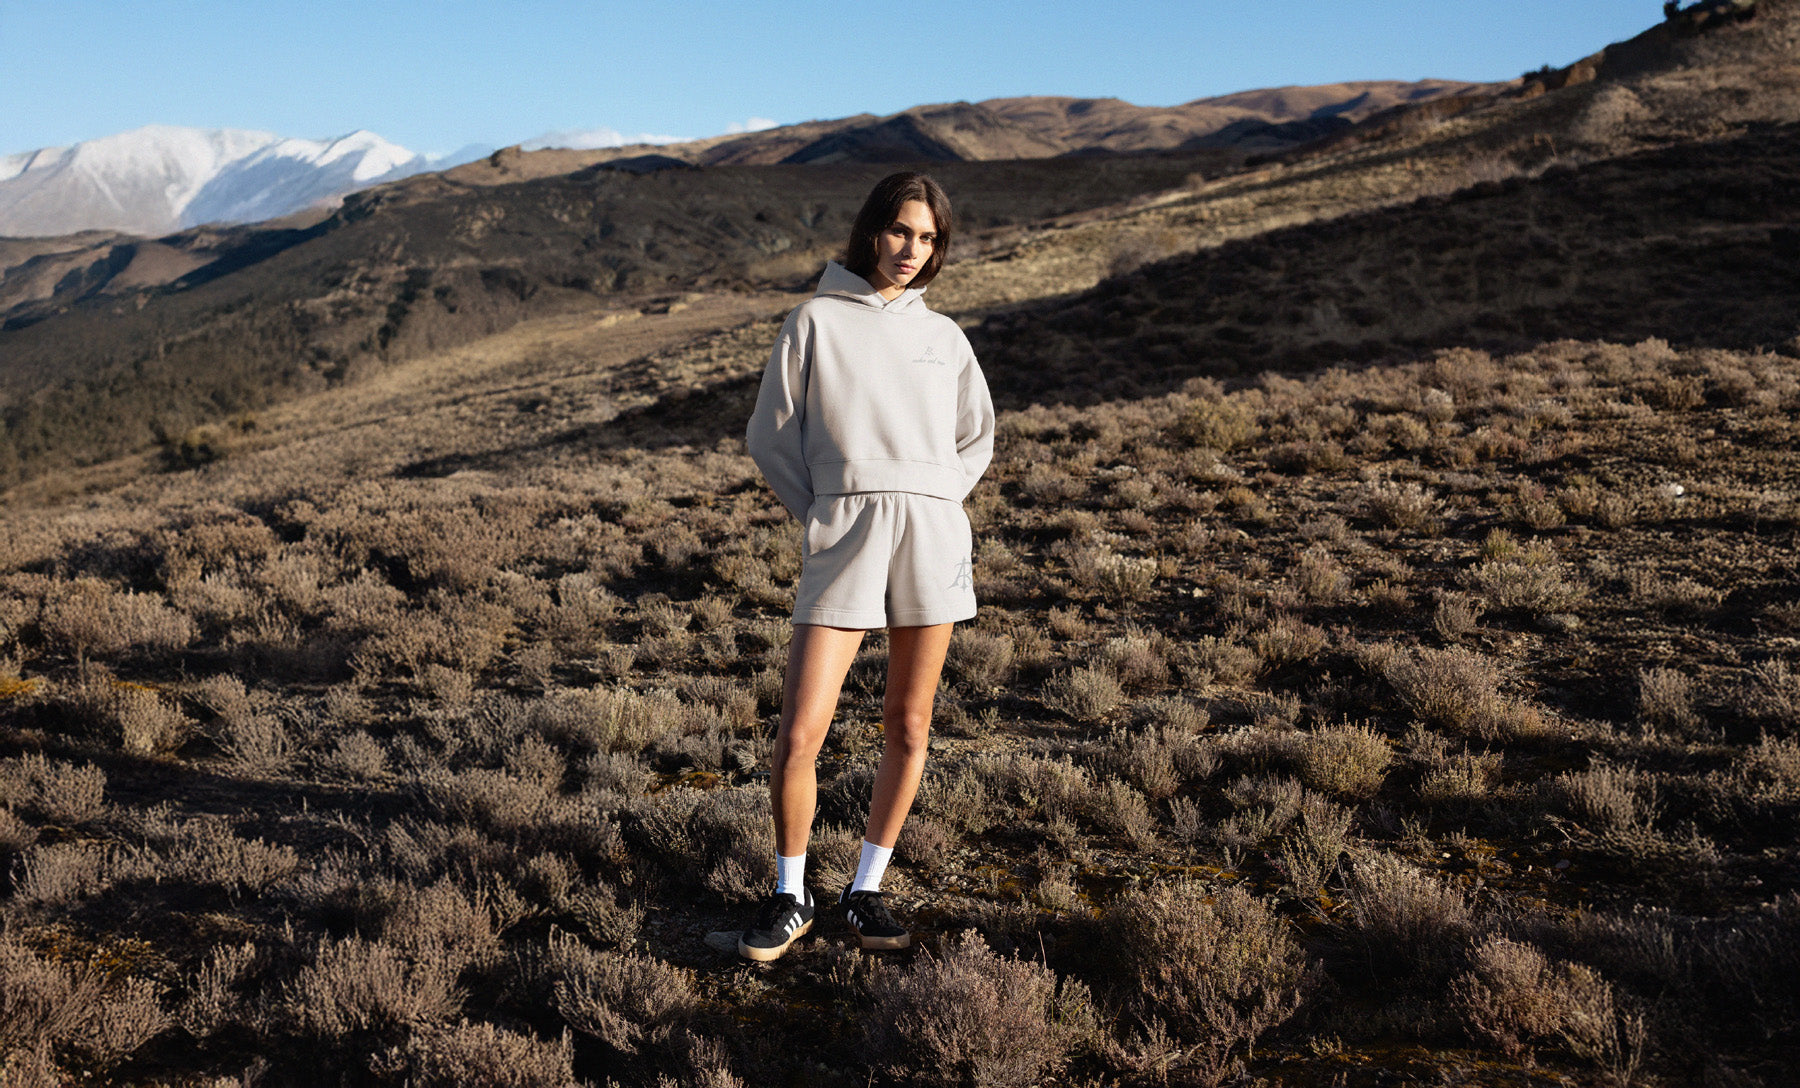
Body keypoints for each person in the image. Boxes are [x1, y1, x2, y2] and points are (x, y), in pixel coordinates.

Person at [738, 171, 995, 961]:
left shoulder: (944, 337)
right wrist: (826, 509)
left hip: (932, 535)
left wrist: (935, 497)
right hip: (846, 532)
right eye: (899, 232)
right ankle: (791, 896)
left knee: (909, 725)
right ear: (870, 232)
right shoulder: (814, 320)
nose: (912, 251)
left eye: (928, 239)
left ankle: (866, 889)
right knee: (800, 734)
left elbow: (975, 438)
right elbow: (770, 438)